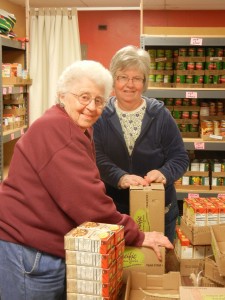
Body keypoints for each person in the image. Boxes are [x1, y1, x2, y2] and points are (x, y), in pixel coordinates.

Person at [0, 60, 173, 300]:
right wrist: (139, 235)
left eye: (99, 100)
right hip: (29, 252)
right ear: (62, 95)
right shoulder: (59, 132)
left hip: (41, 246)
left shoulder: (74, 127)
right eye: (84, 97)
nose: (92, 107)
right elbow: (89, 205)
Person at [93, 45, 190, 244]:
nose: (130, 84)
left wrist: (164, 173)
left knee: (157, 268)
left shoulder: (160, 115)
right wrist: (120, 177)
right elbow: (96, 156)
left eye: (137, 78)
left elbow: (180, 157)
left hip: (157, 208)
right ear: (113, 80)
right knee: (118, 270)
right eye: (122, 77)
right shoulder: (101, 115)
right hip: (114, 210)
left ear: (144, 82)